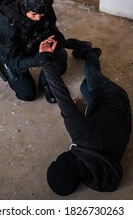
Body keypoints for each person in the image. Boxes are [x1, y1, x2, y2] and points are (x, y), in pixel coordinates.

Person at [35, 36, 132, 196]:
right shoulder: (81, 134)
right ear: (64, 160)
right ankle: (91, 51)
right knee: (91, 72)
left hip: (115, 119)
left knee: (84, 86)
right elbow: (61, 94)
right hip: (113, 97)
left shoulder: (101, 174)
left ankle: (89, 85)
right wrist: (43, 59)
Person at [0, 0, 67, 103]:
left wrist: (53, 43)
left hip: (35, 42)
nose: (38, 18)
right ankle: (2, 61)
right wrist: (35, 60)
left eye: (41, 15)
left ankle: (46, 84)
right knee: (28, 94)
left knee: (60, 58)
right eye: (33, 15)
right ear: (23, 6)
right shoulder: (8, 22)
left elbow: (52, 29)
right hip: (15, 53)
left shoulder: (43, 7)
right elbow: (12, 60)